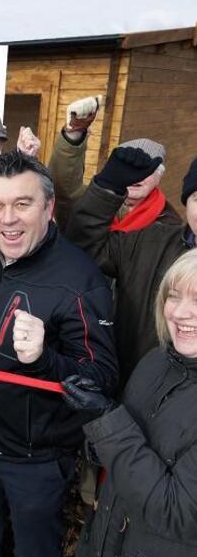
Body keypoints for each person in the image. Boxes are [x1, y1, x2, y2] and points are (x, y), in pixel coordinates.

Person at [0, 150, 118, 557]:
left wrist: (44, 358)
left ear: (48, 208)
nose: (7, 219)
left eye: (22, 204)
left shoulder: (80, 280)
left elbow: (101, 379)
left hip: (36, 461)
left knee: (34, 551)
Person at [63, 249, 197, 557]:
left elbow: (174, 510)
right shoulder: (156, 361)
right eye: (173, 296)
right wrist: (96, 436)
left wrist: (107, 421)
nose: (179, 312)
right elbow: (126, 451)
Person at [66, 148, 197, 389]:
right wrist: (107, 188)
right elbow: (85, 248)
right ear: (187, 202)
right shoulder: (150, 241)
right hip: (132, 388)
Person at [49, 95, 180, 230]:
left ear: (159, 176)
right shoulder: (96, 201)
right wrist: (75, 133)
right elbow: (64, 188)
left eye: (145, 169)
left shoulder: (169, 225)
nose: (136, 177)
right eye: (127, 167)